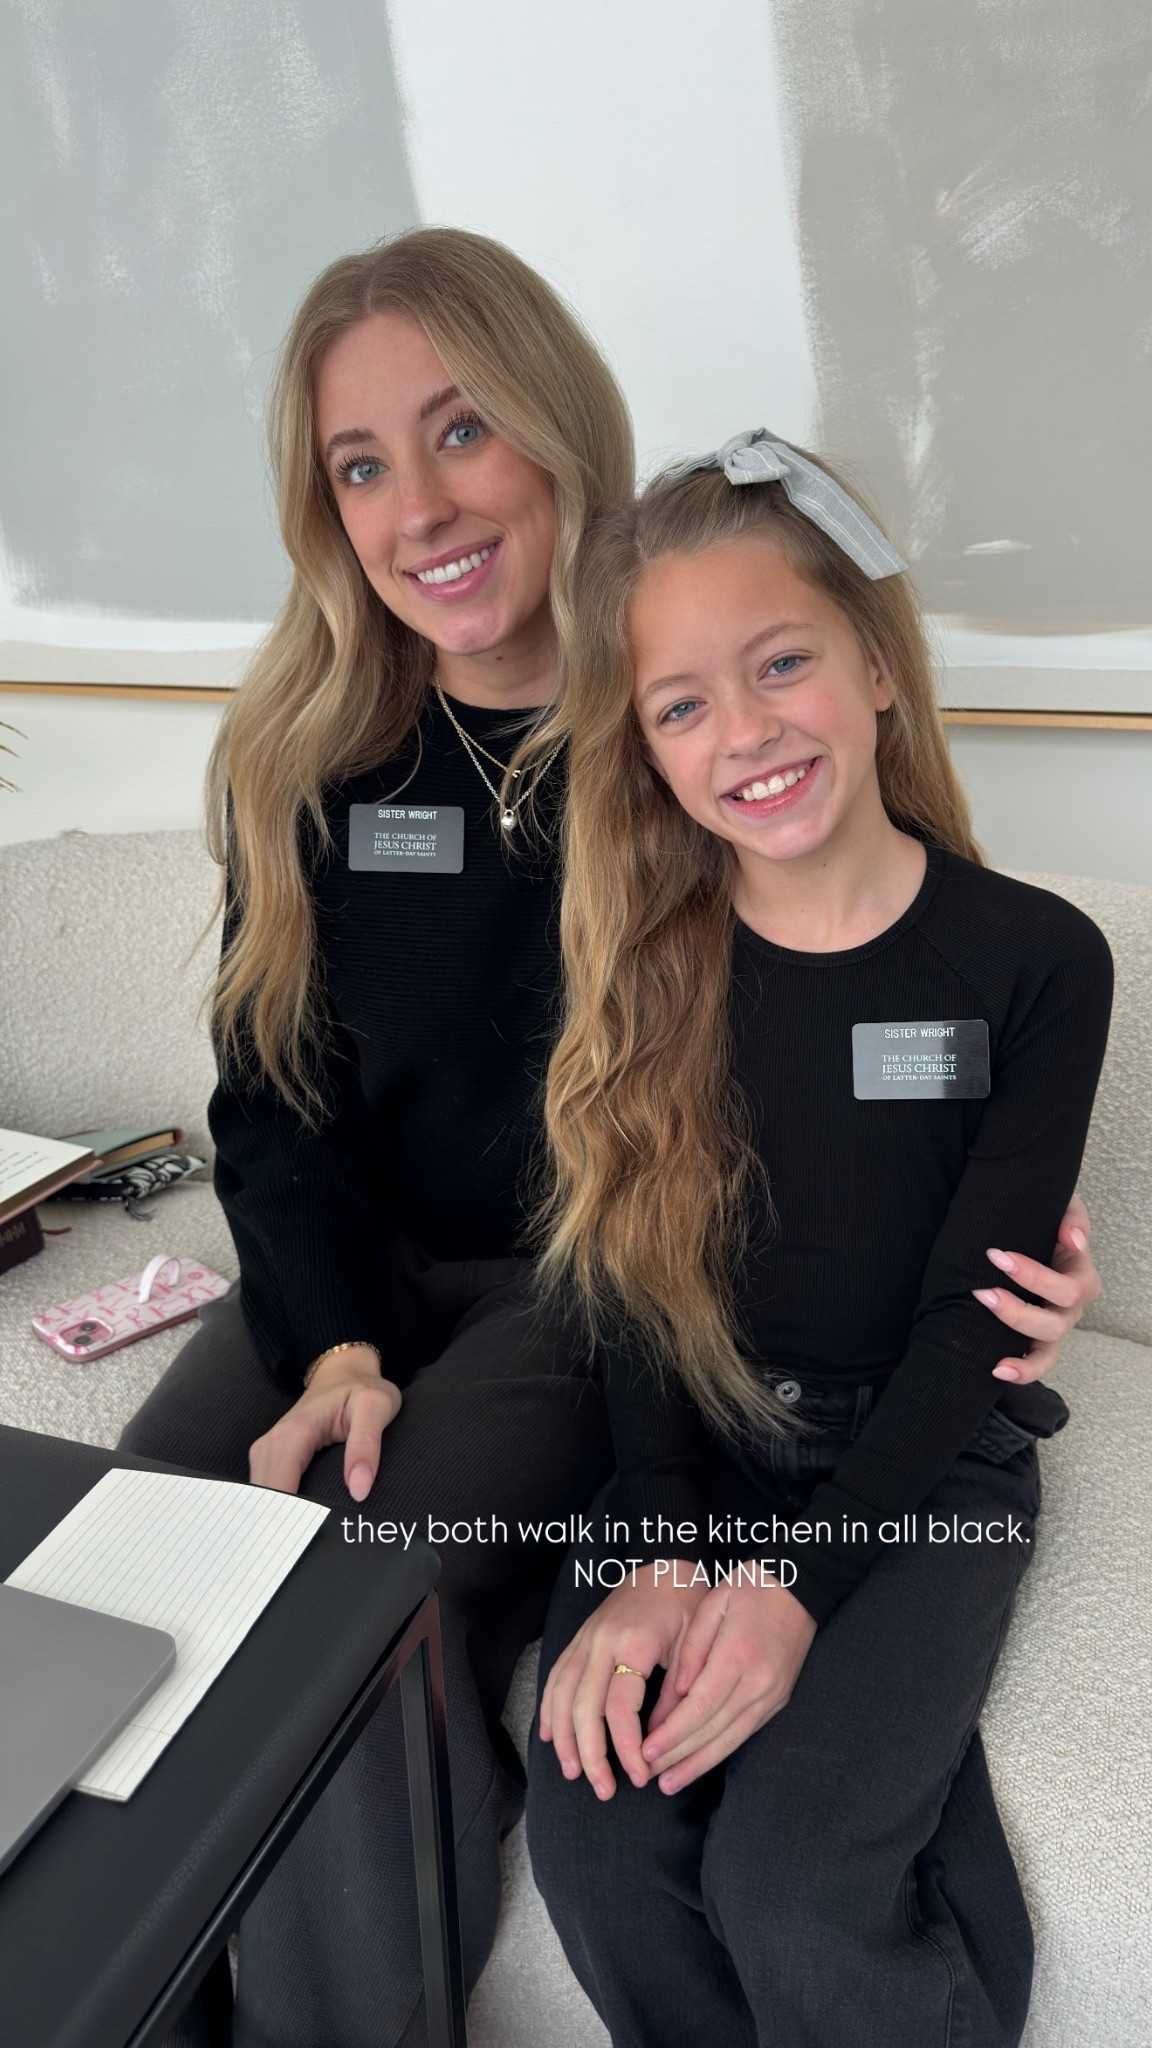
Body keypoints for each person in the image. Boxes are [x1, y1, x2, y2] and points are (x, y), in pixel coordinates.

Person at [117, 232, 1099, 2048]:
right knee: (131, 1556)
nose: (420, 506)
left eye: (463, 429)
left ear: (558, 434)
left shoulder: (677, 739)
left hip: (586, 1296)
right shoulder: (308, 758)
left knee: (356, 1599)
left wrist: (983, 1244)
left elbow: (857, 1005)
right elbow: (276, 1109)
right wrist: (332, 1338)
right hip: (357, 1276)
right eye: (360, 465)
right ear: (322, 509)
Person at [527, 431, 1113, 2048]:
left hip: (932, 1468)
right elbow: (640, 1299)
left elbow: (973, 1326)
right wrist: (653, 1550)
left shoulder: (1041, 960)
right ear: (644, 748)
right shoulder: (649, 967)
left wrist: (794, 1583)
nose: (746, 731)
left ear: (873, 666)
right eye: (683, 703)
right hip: (702, 1451)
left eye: (780, 662)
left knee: (789, 1870)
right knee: (593, 1823)